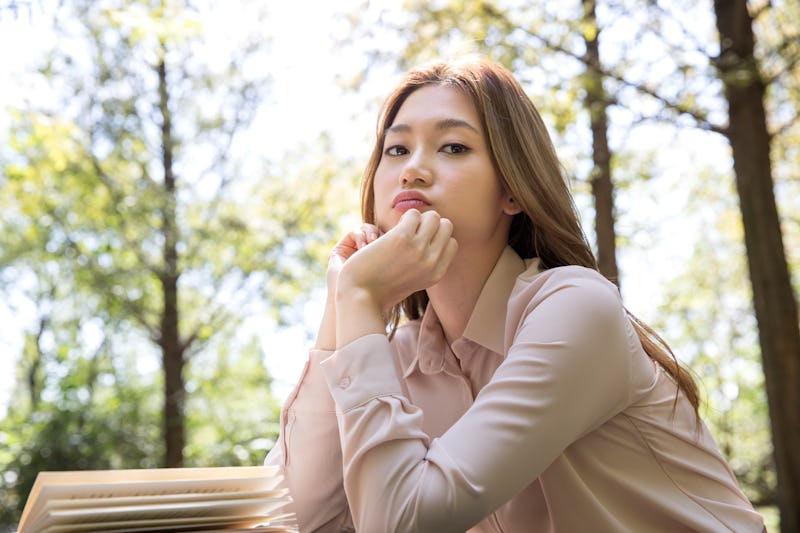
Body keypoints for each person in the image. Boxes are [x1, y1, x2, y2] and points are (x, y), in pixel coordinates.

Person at [264, 56, 764, 532]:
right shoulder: (395, 358)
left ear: (512, 191)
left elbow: (401, 522)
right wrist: (342, 306)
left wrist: (359, 299)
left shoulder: (575, 308)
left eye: (453, 147)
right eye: (396, 149)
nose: (412, 169)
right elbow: (295, 517)